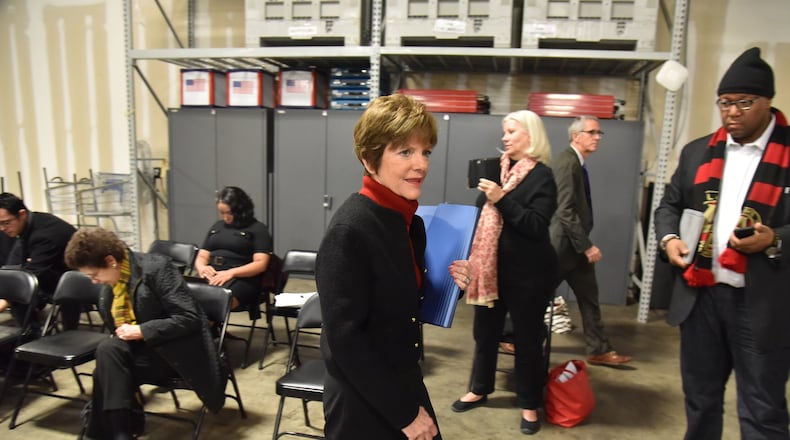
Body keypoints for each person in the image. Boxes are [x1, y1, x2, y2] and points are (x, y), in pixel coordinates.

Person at [655, 47, 790, 439]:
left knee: (762, 407)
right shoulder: (698, 152)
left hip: (761, 303)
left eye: (744, 103)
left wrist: (775, 239)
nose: (732, 112)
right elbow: (669, 204)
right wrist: (670, 239)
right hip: (701, 299)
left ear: (768, 102)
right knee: (700, 398)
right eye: (725, 103)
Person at [316, 94, 441, 440]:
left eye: (425, 151)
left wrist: (450, 285)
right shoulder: (350, 231)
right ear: (370, 160)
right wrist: (404, 414)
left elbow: (401, 303)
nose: (421, 165)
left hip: (401, 376)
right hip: (362, 396)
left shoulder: (406, 222)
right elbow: (345, 339)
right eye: (405, 152)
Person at [449, 110, 559, 435]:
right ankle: (480, 388)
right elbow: (482, 214)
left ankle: (528, 404)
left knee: (526, 341)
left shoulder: (543, 177)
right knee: (485, 335)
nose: (504, 137)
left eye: (511, 131)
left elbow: (536, 226)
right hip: (490, 272)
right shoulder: (500, 170)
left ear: (530, 135)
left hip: (529, 276)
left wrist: (501, 199)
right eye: (504, 131)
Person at [64, 227, 226, 439]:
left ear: (111, 260)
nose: (94, 281)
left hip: (175, 354)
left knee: (105, 365)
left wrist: (142, 330)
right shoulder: (112, 284)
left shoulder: (157, 268)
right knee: (109, 354)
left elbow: (190, 318)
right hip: (140, 353)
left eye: (95, 275)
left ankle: (111, 434)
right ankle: (120, 433)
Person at [548, 116, 632, 367]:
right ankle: (509, 336)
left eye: (599, 133)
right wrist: (587, 245)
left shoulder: (576, 161)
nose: (597, 137)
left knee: (589, 297)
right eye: (592, 132)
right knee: (536, 295)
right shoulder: (567, 162)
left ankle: (599, 349)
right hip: (563, 247)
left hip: (574, 247)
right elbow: (564, 211)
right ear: (576, 136)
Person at [0, 192, 79, 331]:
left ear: (22, 214)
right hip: (51, 271)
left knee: (19, 296)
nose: (2, 228)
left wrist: (6, 299)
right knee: (13, 284)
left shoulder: (45, 234)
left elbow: (35, 273)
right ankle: (29, 335)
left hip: (72, 277)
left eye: (6, 223)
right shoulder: (28, 224)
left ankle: (31, 336)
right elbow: (11, 267)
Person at [193, 186, 273, 318]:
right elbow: (202, 255)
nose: (225, 217)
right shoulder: (217, 226)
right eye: (222, 213)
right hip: (212, 274)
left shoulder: (257, 229)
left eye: (229, 213)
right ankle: (206, 332)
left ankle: (205, 333)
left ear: (241, 210)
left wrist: (230, 273)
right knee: (182, 298)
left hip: (241, 278)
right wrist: (202, 268)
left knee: (212, 303)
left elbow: (260, 264)